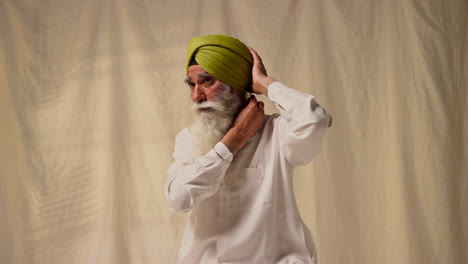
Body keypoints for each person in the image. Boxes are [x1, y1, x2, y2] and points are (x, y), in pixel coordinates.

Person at [164, 34, 332, 264]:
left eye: (207, 81)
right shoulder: (189, 139)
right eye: (191, 84)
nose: (196, 96)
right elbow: (178, 199)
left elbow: (315, 120)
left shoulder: (277, 133)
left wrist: (264, 83)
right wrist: (233, 141)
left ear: (236, 84)